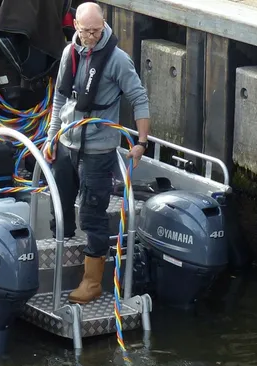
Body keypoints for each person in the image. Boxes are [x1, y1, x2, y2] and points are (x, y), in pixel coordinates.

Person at [43, 2, 151, 305]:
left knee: (92, 214)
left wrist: (141, 142)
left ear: (104, 25)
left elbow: (139, 98)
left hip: (98, 149)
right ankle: (60, 255)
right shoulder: (69, 53)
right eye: (85, 31)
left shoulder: (118, 60)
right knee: (59, 203)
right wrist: (52, 137)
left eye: (96, 30)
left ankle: (91, 282)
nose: (91, 36)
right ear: (75, 26)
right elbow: (60, 98)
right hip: (67, 143)